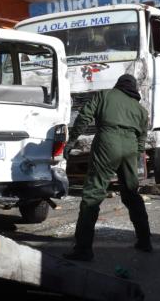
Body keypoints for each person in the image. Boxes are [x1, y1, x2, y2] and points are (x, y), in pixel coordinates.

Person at [62, 74, 151, 261]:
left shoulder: (104, 95)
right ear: (134, 90)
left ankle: (83, 249)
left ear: (118, 85)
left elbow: (84, 117)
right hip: (130, 147)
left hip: (107, 142)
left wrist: (71, 142)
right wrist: (136, 160)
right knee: (131, 193)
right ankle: (145, 241)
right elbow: (142, 141)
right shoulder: (141, 110)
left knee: (93, 194)